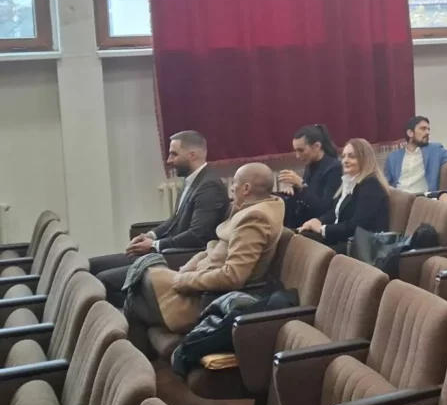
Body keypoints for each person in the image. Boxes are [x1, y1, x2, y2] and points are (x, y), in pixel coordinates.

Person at [124, 163, 285, 335]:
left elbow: (233, 276)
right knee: (141, 280)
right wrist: (189, 267)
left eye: (235, 183)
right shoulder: (249, 208)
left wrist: (184, 280)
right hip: (200, 281)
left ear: (246, 188)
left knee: (136, 296)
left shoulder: (255, 218)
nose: (231, 188)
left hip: (210, 298)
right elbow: (214, 247)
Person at [89, 130, 228, 307]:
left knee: (104, 280)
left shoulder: (209, 186)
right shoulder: (192, 181)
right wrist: (150, 236)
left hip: (179, 257)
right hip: (167, 250)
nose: (169, 160)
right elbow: (175, 220)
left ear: (192, 155)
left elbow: (198, 235)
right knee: (92, 266)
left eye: (174, 154)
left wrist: (155, 246)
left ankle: (139, 317)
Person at [299, 139, 389, 249]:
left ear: (364, 159)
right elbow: (335, 212)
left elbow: (356, 227)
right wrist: (318, 221)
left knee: (307, 247)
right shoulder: (349, 182)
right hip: (343, 239)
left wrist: (322, 229)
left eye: (351, 156)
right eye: (343, 156)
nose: (345, 160)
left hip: (361, 247)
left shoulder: (371, 185)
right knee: (299, 237)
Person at [276, 125, 341, 230]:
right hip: (305, 221)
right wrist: (294, 189)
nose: (297, 156)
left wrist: (301, 185)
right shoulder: (311, 165)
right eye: (296, 151)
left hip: (320, 226)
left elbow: (324, 208)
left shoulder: (335, 169)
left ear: (317, 146)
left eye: (301, 150)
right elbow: (309, 193)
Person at [383, 116, 447, 194]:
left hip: (421, 198)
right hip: (398, 197)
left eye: (428, 129)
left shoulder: (435, 150)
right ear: (410, 133)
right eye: (423, 129)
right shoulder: (393, 157)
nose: (427, 132)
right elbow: (385, 182)